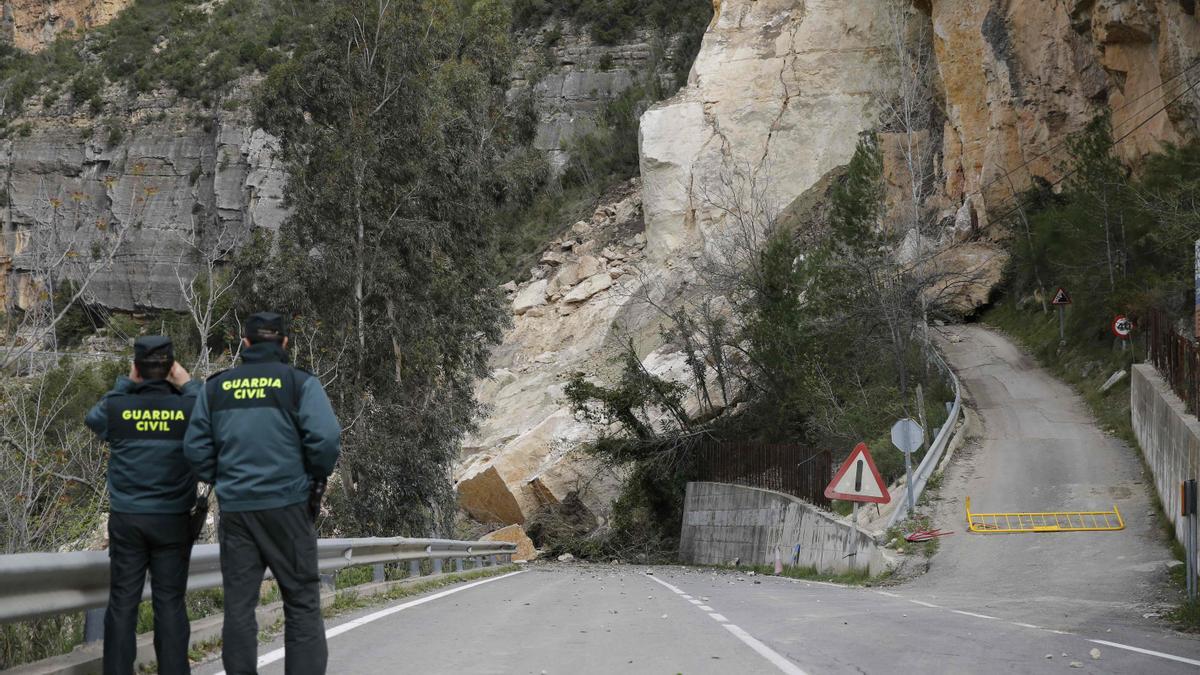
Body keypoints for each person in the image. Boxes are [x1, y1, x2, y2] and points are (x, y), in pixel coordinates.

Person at [183, 312, 341, 675]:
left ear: (245, 343)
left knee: (239, 609)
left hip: (237, 513)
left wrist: (221, 476)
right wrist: (313, 474)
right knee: (301, 604)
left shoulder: (217, 387)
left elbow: (194, 449)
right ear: (285, 343)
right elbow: (327, 439)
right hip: (289, 508)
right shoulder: (299, 383)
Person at [85, 335, 200, 675]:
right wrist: (188, 382)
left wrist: (125, 383)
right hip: (173, 521)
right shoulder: (189, 407)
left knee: (123, 603)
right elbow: (211, 411)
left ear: (136, 368)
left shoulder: (117, 407)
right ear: (171, 369)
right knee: (170, 605)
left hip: (128, 520)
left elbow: (94, 418)